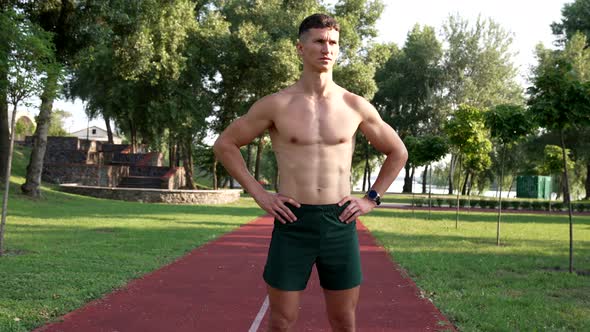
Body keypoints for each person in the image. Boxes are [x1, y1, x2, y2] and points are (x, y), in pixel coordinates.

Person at [214, 13, 408, 332]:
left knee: (344, 321)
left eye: (332, 42)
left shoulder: (355, 105)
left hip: (339, 221)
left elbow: (398, 151)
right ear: (300, 48)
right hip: (293, 222)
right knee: (281, 321)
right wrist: (259, 194)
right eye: (318, 41)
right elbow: (225, 145)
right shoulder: (276, 104)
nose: (326, 48)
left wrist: (372, 198)